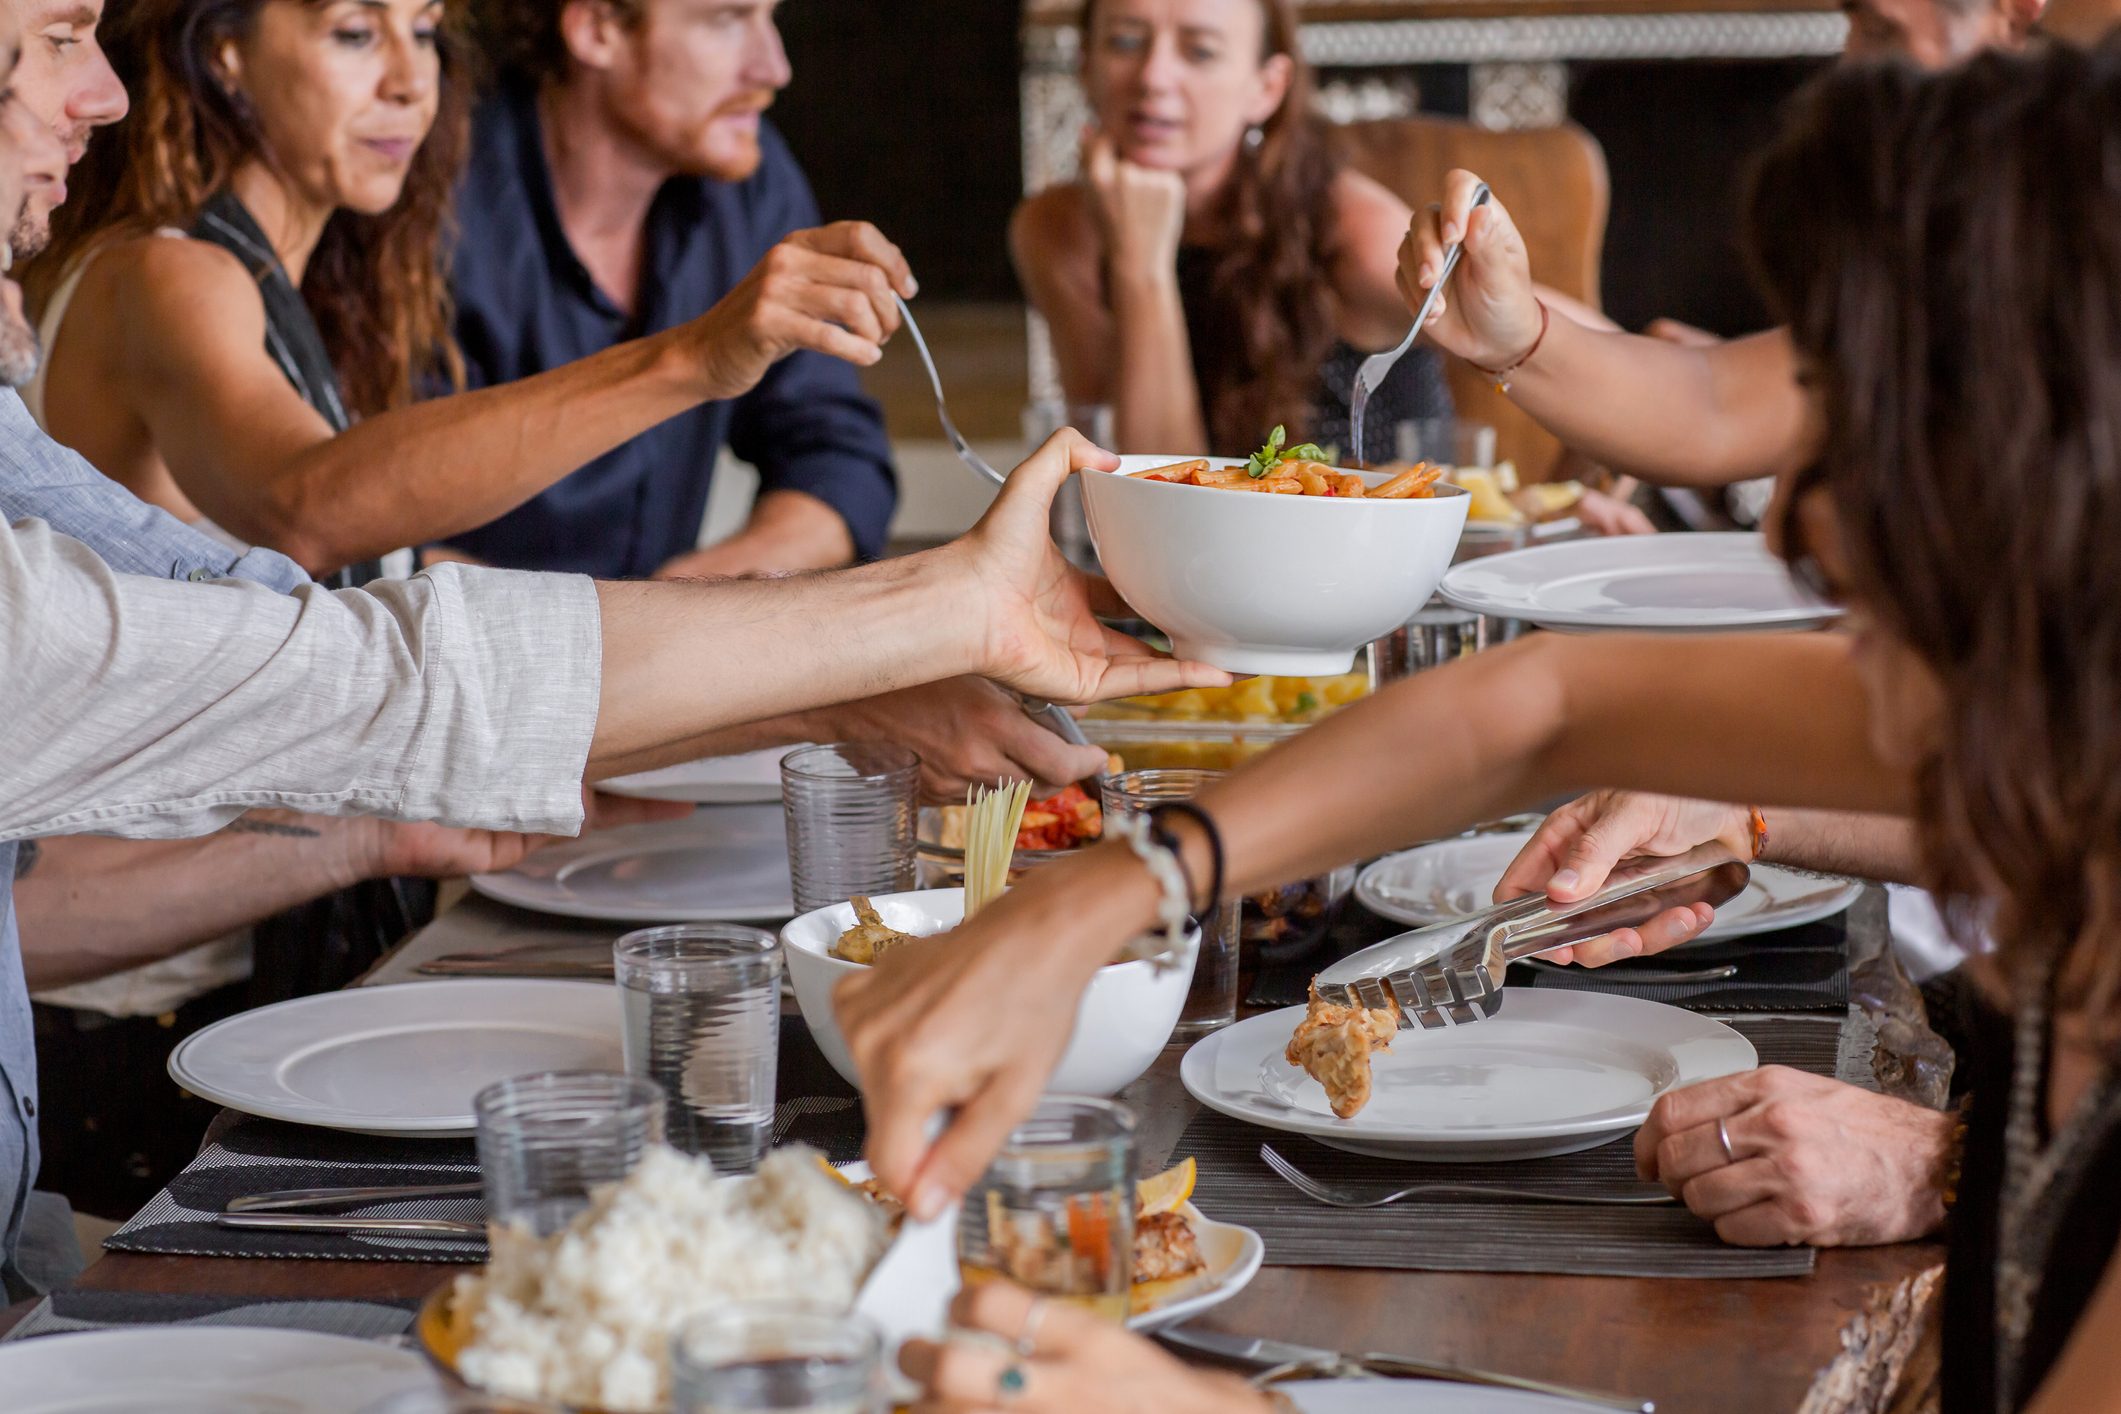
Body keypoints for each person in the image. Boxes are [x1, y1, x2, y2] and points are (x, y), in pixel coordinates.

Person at [850, 41, 2121, 1412]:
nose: (1779, 512)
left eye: (1850, 420)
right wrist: (1113, 890)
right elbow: (1541, 703)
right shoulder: (2055, 726)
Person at [436, 0, 890, 582]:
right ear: (598, 29)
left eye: (771, 19)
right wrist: (624, 635)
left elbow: (838, 460)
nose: (774, 69)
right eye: (728, 19)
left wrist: (682, 599)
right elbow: (367, 545)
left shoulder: (749, 182)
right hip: (449, 662)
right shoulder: (431, 203)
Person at [1011, 0, 1453, 469]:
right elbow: (1130, 481)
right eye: (1124, 42)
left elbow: (1515, 342)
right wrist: (1140, 264)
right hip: (1172, 538)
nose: (1152, 78)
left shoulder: (1351, 231)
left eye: (1199, 51)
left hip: (1373, 535)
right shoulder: (1060, 230)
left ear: (1267, 87)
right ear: (1085, 65)